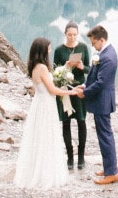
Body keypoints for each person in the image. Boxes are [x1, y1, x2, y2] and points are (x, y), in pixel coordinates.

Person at [13, 37, 73, 189]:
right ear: (43, 50)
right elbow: (52, 90)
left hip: (39, 103)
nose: (50, 50)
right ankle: (45, 175)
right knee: (47, 137)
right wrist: (73, 92)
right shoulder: (42, 68)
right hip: (46, 105)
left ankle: (35, 171)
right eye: (48, 48)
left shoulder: (34, 67)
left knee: (39, 137)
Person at [74, 24, 118, 185]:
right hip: (101, 101)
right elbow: (94, 75)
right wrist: (85, 85)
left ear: (101, 39)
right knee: (103, 135)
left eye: (94, 42)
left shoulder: (108, 57)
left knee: (105, 136)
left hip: (103, 102)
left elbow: (100, 83)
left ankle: (112, 172)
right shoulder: (103, 52)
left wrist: (84, 93)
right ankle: (108, 168)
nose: (92, 45)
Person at [53, 22, 90, 170]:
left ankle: (81, 157)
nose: (72, 37)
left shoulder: (83, 47)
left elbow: (89, 69)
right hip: (65, 89)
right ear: (65, 34)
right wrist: (66, 67)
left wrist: (82, 66)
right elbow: (55, 73)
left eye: (75, 34)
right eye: (69, 35)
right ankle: (69, 156)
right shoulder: (59, 50)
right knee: (66, 122)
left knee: (81, 121)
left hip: (79, 88)